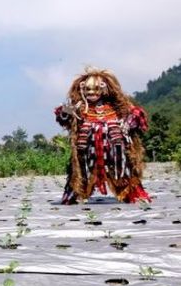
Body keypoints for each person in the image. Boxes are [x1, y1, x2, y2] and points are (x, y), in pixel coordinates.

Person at [55, 67, 150, 204]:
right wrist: (65, 111)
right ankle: (72, 195)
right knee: (78, 175)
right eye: (87, 89)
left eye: (95, 89)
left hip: (116, 152)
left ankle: (133, 194)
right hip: (86, 152)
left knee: (125, 171)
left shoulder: (118, 106)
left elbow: (137, 116)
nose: (91, 92)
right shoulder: (80, 107)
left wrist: (129, 122)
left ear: (104, 89)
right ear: (82, 89)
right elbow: (63, 119)